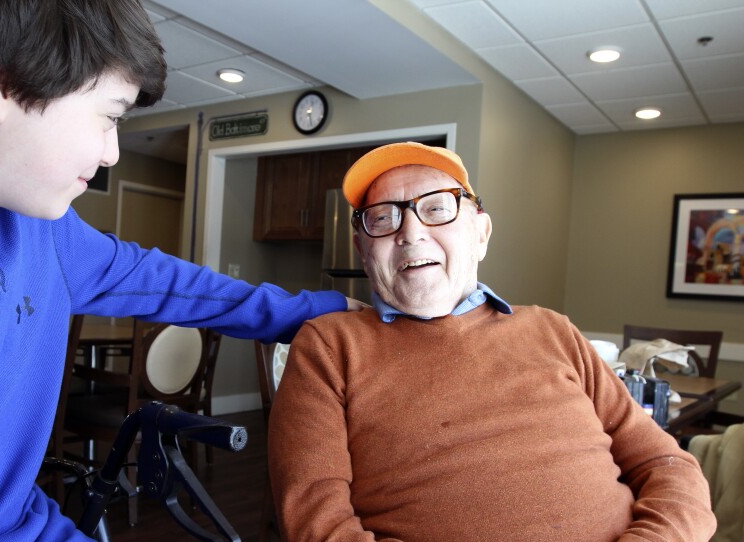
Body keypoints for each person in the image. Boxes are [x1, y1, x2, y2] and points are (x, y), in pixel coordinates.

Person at [0, 1, 365, 540]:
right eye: (109, 115)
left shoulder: (41, 228)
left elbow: (172, 286)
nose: (112, 153)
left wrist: (334, 311)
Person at [268, 142, 716, 541]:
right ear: (364, 252)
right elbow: (315, 517)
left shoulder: (552, 330)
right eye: (383, 218)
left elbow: (666, 466)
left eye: (437, 208)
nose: (410, 232)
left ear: (481, 233)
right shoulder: (328, 346)